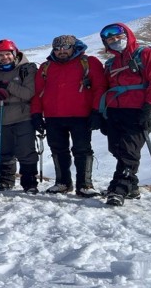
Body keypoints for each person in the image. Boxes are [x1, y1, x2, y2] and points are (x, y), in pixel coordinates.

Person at [98, 23, 151, 206]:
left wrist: (149, 108)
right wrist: (102, 113)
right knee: (115, 148)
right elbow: (106, 87)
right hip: (115, 110)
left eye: (118, 37)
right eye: (110, 39)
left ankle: (119, 189)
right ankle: (132, 187)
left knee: (128, 151)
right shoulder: (111, 63)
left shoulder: (146, 54)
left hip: (137, 109)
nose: (115, 41)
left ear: (127, 36)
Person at [31, 35, 107, 197]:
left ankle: (85, 184)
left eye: (65, 47)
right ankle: (62, 183)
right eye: (57, 49)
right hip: (53, 116)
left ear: (74, 47)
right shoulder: (46, 67)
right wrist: (36, 114)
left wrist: (97, 111)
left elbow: (100, 88)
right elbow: (37, 93)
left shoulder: (89, 62)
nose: (61, 51)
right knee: (58, 150)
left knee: (82, 150)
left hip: (81, 115)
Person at [0, 39, 39, 193]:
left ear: (14, 53)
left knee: (26, 151)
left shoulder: (27, 69)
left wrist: (8, 86)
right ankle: (5, 181)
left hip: (23, 117)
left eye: (7, 54)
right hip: (0, 117)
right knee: (4, 152)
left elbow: (29, 94)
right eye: (0, 55)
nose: (4, 57)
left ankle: (29, 182)